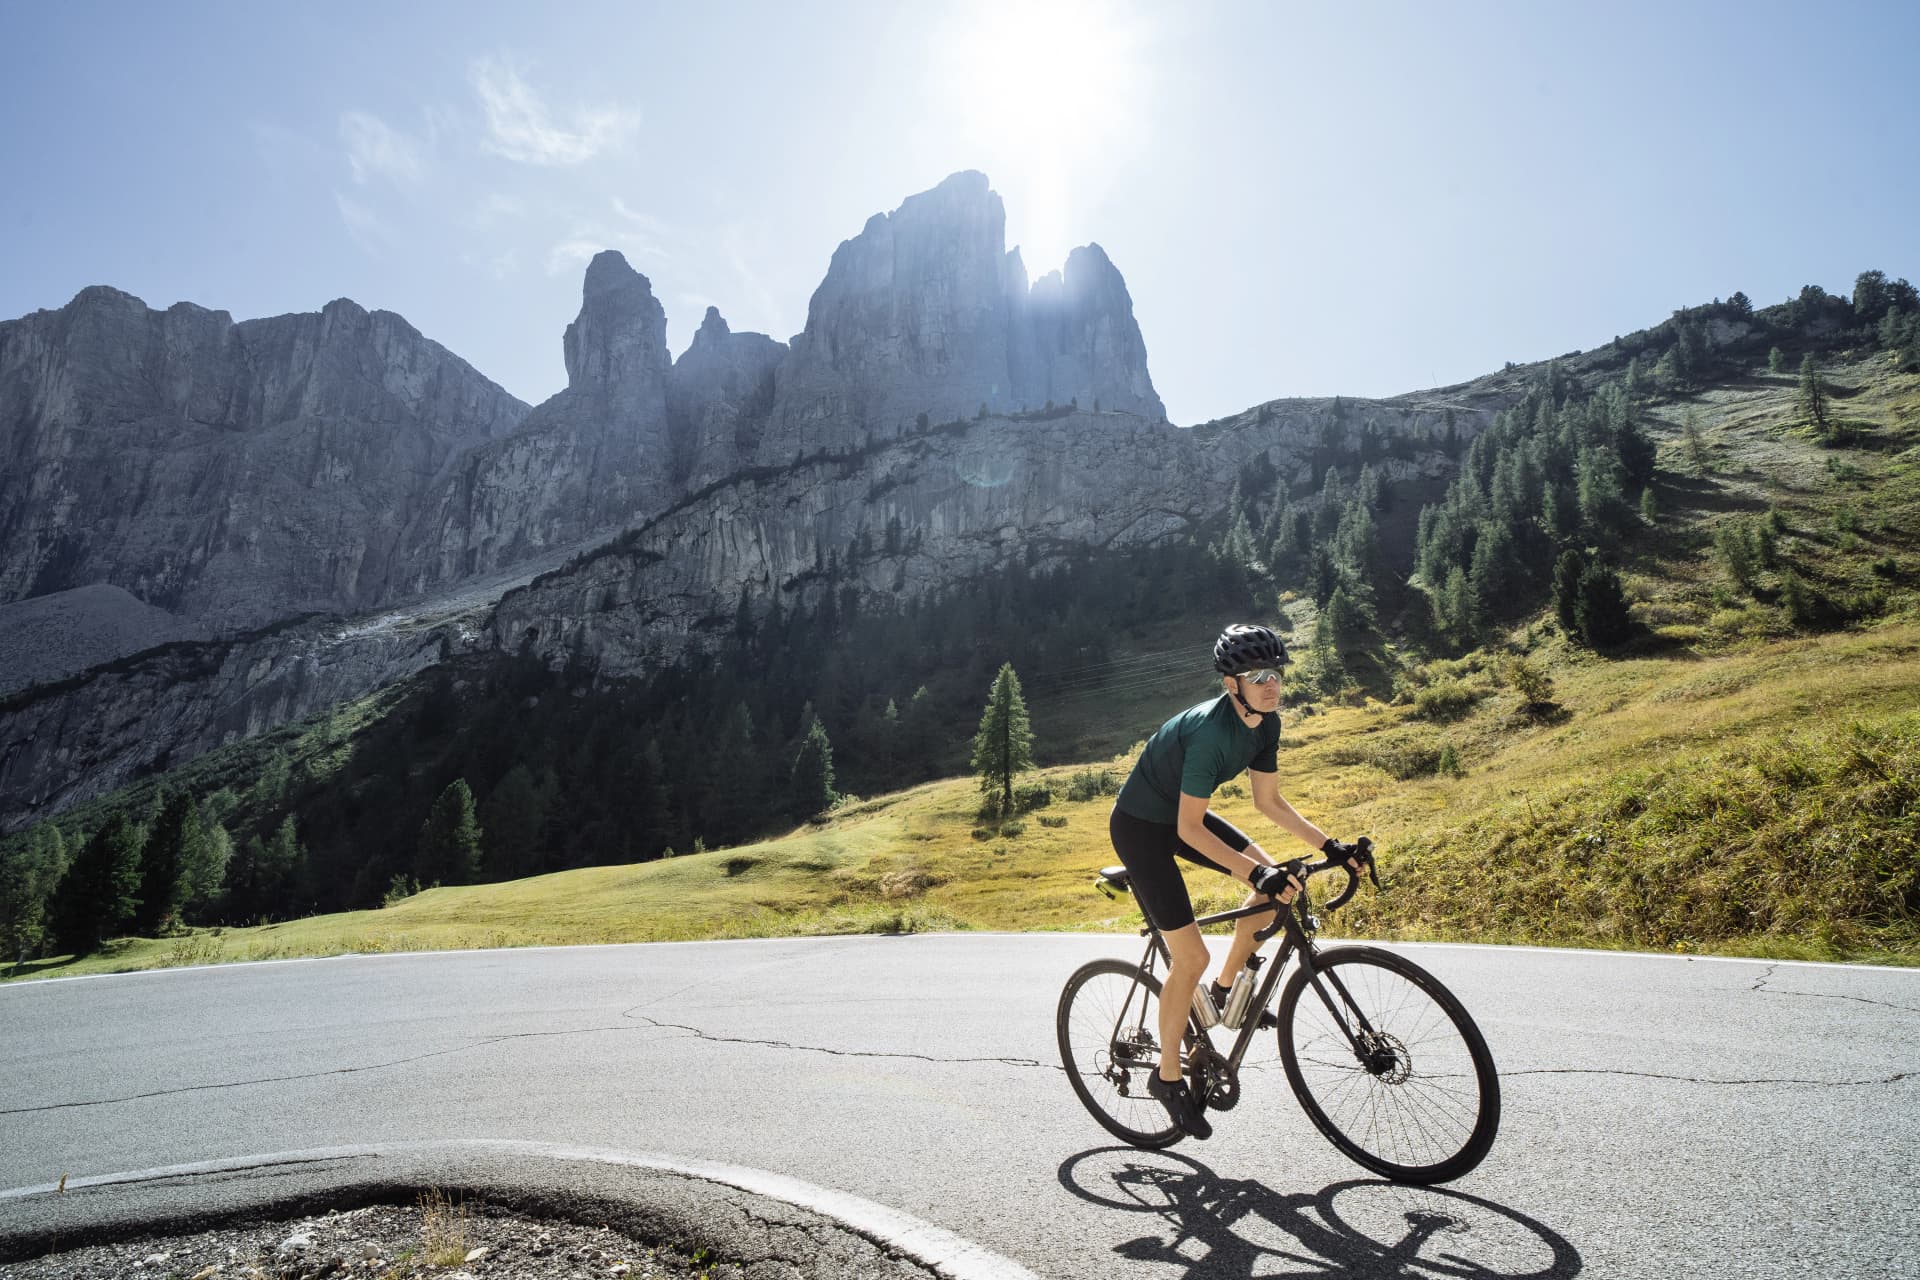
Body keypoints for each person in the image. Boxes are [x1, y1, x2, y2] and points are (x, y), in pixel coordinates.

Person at [1108, 622, 1362, 1139]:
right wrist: (1256, 871)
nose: (1271, 684)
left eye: (1276, 673)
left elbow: (1267, 802)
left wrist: (1329, 847)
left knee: (1279, 887)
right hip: (1142, 830)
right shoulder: (1208, 733)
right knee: (1190, 957)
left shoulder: (1267, 723)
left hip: (1182, 818)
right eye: (1256, 675)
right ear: (1232, 684)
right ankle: (1168, 1077)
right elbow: (1186, 830)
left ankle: (1225, 992)